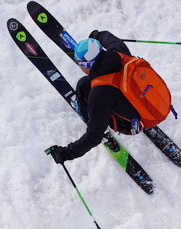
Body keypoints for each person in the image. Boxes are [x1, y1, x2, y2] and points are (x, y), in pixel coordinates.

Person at [48, 30, 142, 164]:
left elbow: (94, 136)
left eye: (79, 63)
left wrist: (65, 153)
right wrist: (96, 36)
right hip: (142, 97)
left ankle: (94, 119)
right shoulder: (119, 51)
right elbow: (109, 38)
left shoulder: (100, 93)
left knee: (83, 86)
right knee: (88, 83)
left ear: (87, 66)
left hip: (128, 125)